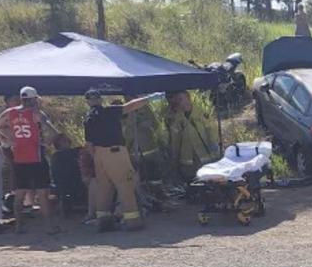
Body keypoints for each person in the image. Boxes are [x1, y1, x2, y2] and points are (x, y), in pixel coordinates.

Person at [84, 88, 160, 232]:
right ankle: (133, 221)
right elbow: (131, 106)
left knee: (104, 188)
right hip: (115, 152)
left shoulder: (88, 118)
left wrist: (96, 158)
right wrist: (149, 98)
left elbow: (89, 144)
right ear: (100, 99)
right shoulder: (109, 111)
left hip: (99, 154)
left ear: (88, 102)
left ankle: (103, 221)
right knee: (125, 184)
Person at [0, 86, 60, 234]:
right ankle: (49, 227)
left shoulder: (10, 113)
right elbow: (53, 131)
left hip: (19, 157)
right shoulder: (36, 114)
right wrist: (46, 142)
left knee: (19, 194)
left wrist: (5, 138)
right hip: (36, 157)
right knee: (42, 194)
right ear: (33, 99)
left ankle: (19, 226)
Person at [165, 91, 220, 183]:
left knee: (209, 182)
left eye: (181, 99)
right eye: (177, 101)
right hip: (187, 160)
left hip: (205, 155)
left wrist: (213, 143)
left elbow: (211, 129)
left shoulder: (201, 113)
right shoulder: (177, 119)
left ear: (188, 98)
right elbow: (175, 140)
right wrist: (174, 156)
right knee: (192, 183)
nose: (180, 103)